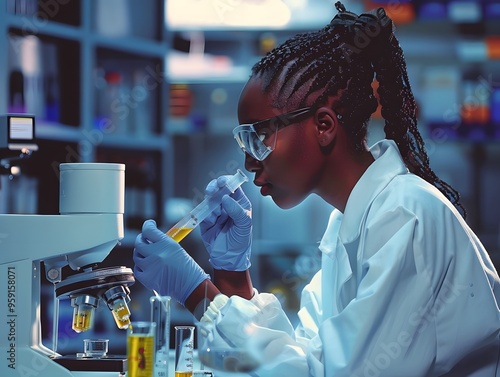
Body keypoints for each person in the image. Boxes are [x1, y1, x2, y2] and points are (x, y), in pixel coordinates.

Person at [133, 3, 500, 376]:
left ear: (323, 126)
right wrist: (233, 280)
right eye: (244, 144)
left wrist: (198, 294)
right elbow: (304, 359)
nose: (248, 162)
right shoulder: (346, 225)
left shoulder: (405, 216)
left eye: (259, 138)